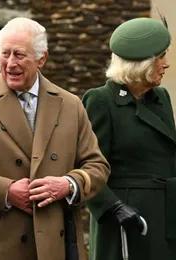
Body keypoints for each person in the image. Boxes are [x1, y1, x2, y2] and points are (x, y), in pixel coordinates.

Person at [0, 17, 110, 260]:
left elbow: (97, 166)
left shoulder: (70, 105)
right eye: (5, 54)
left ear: (41, 59)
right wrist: (7, 190)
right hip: (0, 246)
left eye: (19, 55)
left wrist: (68, 184)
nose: (10, 63)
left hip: (56, 245)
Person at [82, 17, 176, 260]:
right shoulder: (101, 100)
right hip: (125, 223)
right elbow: (87, 164)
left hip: (165, 220)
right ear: (141, 64)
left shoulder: (161, 98)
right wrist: (112, 207)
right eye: (161, 57)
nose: (166, 64)